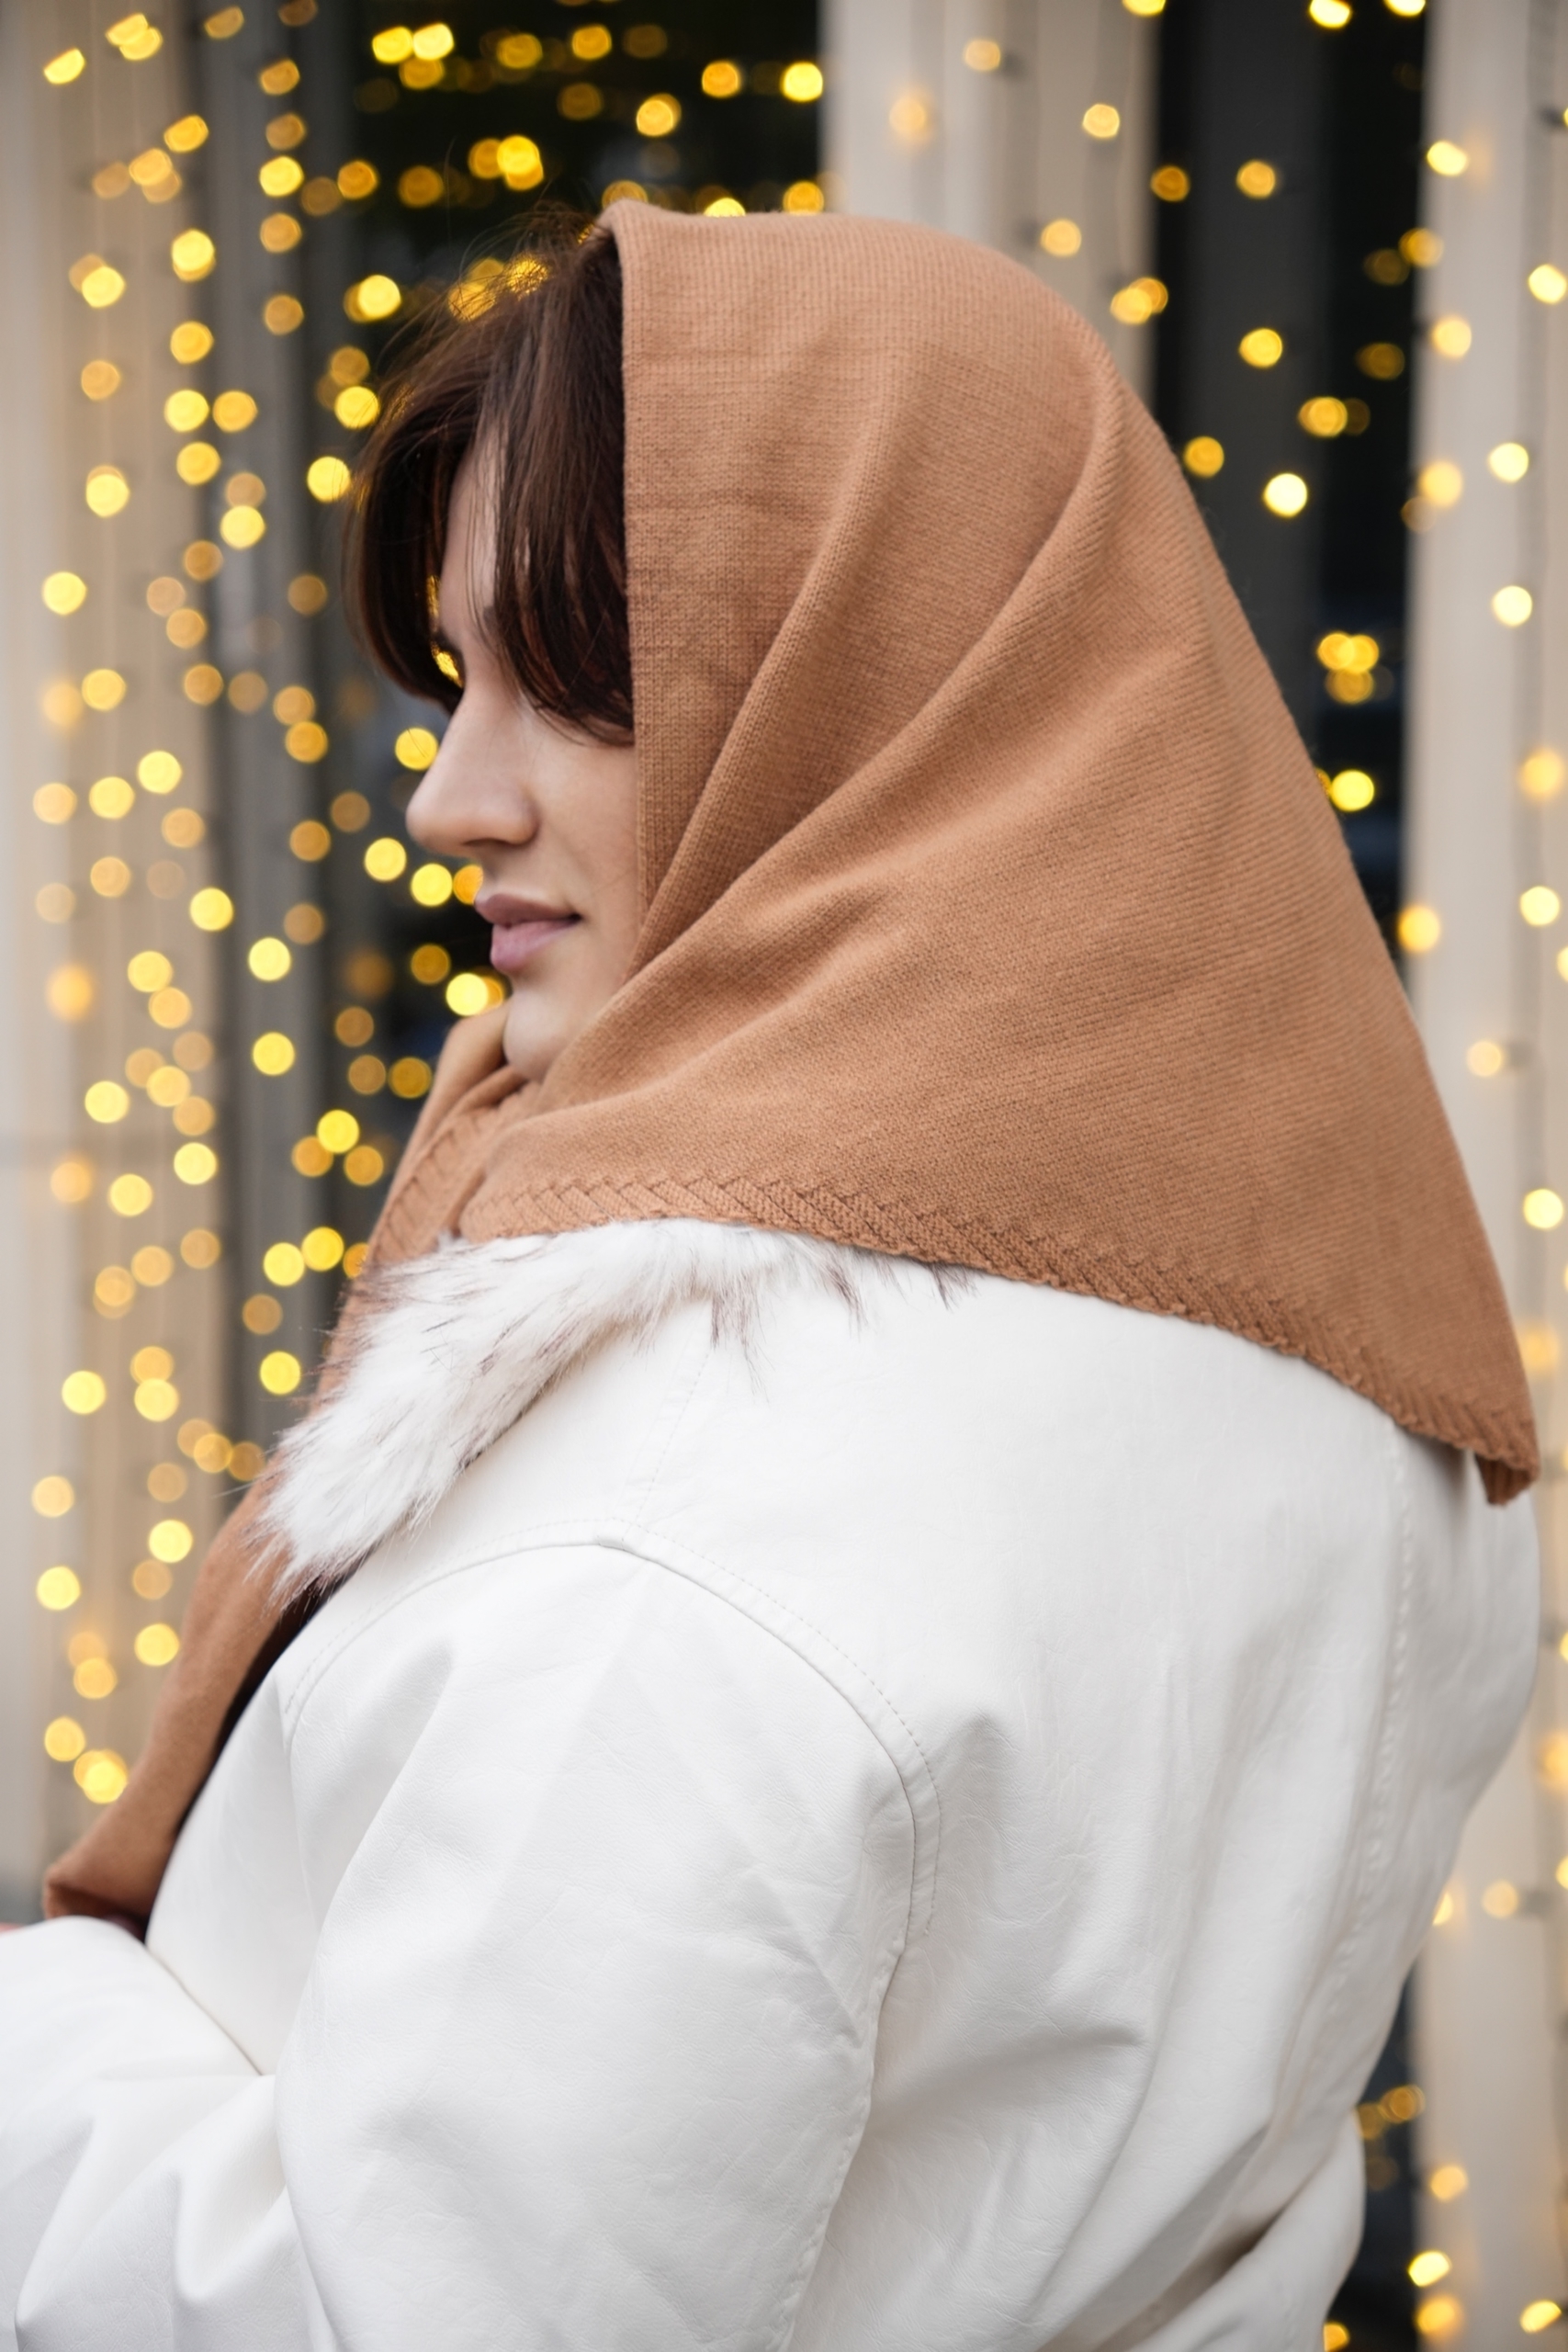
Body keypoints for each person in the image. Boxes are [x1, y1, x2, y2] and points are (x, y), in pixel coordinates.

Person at [0, 207, 1539, 2350]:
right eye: (456, 680)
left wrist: (48, 2027)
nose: (448, 799)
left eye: (582, 687)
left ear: (884, 687)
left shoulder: (683, 1538)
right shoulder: (1322, 1359)